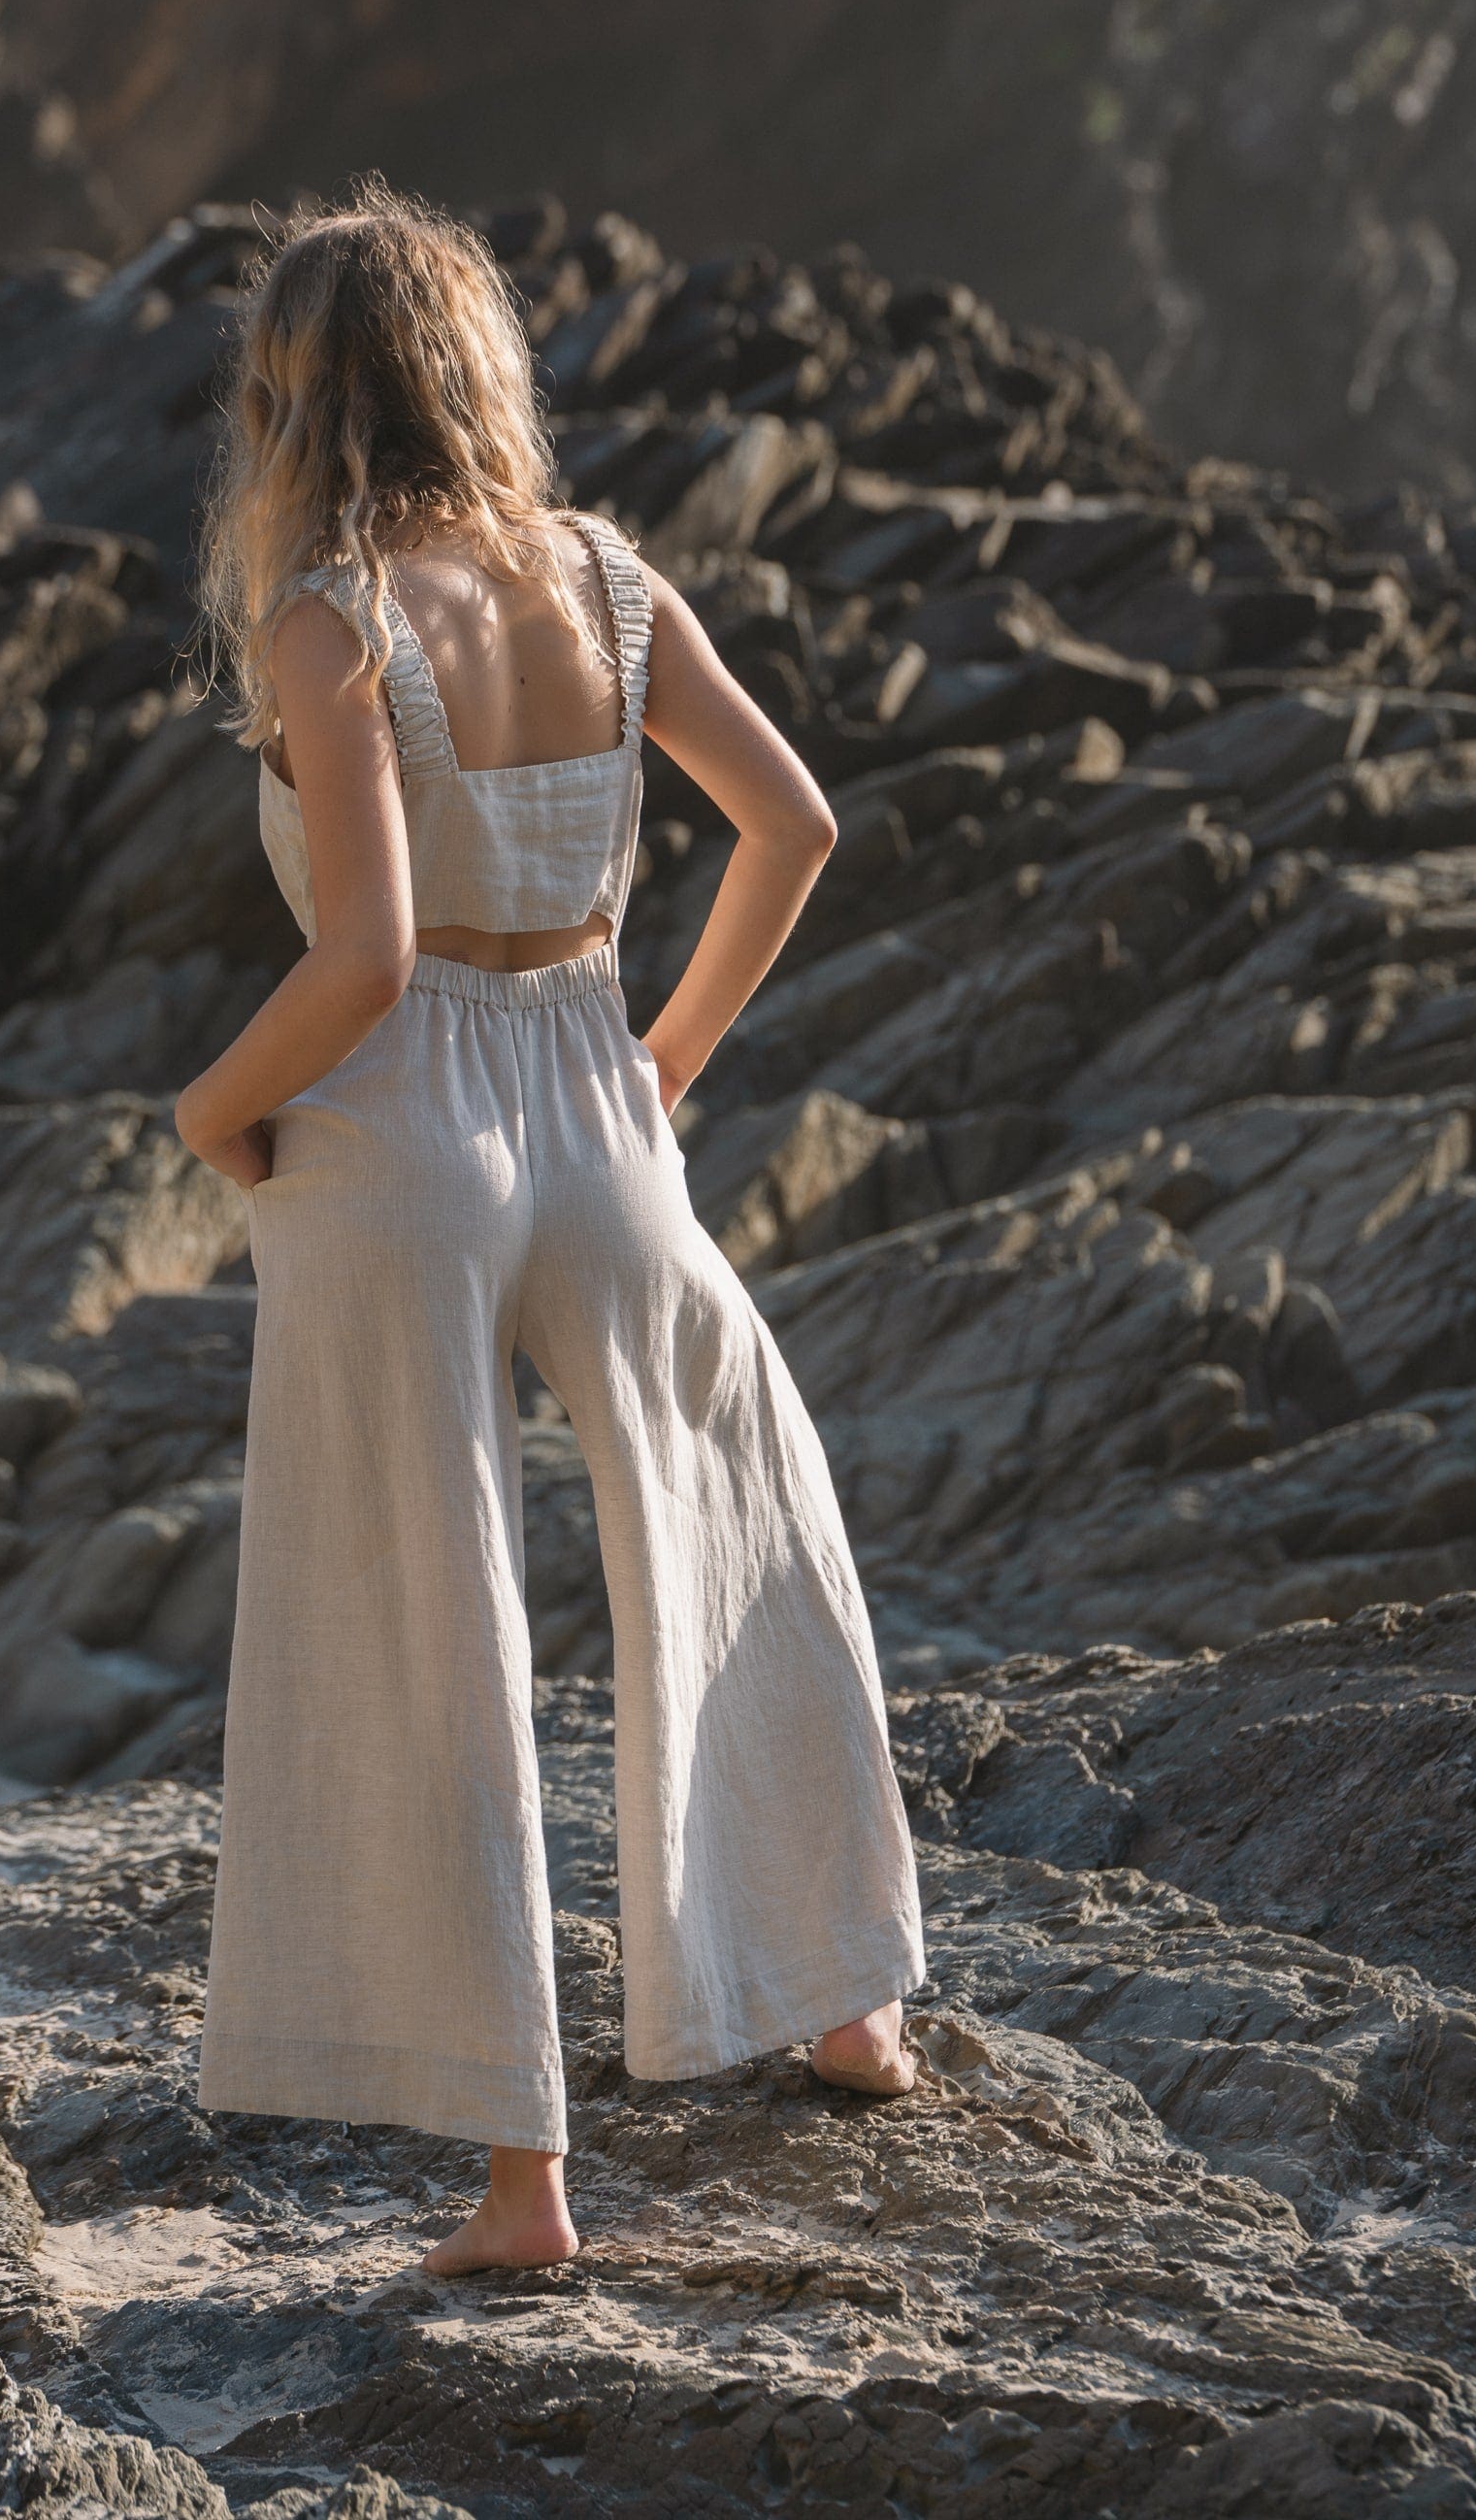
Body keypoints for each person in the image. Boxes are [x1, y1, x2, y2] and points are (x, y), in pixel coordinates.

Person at [176, 182, 923, 2275]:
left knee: (433, 1621)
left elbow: (370, 955)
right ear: (477, 372)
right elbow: (794, 825)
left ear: (295, 404)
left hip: (403, 1121)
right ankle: (844, 2001)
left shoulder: (329, 615)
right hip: (596, 1086)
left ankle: (527, 2186)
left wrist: (213, 1108)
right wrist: (660, 1064)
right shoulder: (602, 581)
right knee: (734, 1506)